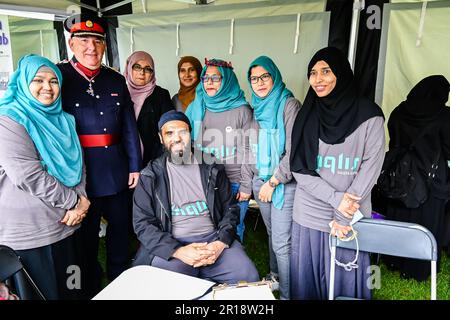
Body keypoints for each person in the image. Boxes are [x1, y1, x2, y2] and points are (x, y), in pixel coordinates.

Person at [289, 47, 385, 300]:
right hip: (309, 212)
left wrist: (343, 214)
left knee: (345, 280)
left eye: (326, 71)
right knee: (308, 283)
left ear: (341, 73)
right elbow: (298, 167)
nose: (317, 79)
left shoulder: (370, 116)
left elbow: (370, 168)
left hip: (350, 216)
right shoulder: (307, 114)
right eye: (312, 73)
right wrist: (335, 198)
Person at [58, 13, 141, 298]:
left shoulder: (116, 80)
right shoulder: (59, 78)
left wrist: (135, 165)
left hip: (116, 171)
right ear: (71, 43)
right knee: (85, 238)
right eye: (83, 40)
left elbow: (129, 127)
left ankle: (120, 281)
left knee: (120, 231)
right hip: (79, 175)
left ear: (105, 45)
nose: (91, 47)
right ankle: (88, 286)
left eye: (97, 41)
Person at [132, 111, 259, 284]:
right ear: (161, 138)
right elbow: (142, 223)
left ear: (190, 134)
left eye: (182, 132)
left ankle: (204, 274)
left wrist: (220, 243)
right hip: (173, 245)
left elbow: (231, 208)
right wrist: (177, 251)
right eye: (169, 133)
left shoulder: (212, 167)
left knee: (247, 275)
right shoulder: (151, 176)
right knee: (162, 283)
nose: (177, 138)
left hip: (213, 241)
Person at [0, 54, 89, 300]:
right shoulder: (8, 119)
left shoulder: (64, 119)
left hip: (68, 224)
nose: (47, 88)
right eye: (38, 80)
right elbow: (27, 175)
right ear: (23, 82)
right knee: (44, 294)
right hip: (31, 234)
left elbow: (78, 163)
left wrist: (80, 200)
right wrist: (74, 201)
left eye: (54, 81)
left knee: (74, 288)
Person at [381, 75, 450, 281]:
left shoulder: (399, 111)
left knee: (399, 218)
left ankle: (394, 261)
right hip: (431, 182)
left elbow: (394, 139)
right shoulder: (445, 116)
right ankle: (418, 268)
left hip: (399, 175)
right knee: (427, 223)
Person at [245, 56, 300, 300]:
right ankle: (275, 277)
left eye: (264, 76)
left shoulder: (289, 104)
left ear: (274, 75)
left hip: (281, 183)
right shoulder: (255, 106)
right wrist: (255, 182)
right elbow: (249, 148)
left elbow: (293, 150)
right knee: (271, 235)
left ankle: (288, 295)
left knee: (281, 243)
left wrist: (273, 181)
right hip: (260, 182)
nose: (259, 82)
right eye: (254, 78)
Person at [185, 58, 253, 243]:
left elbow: (248, 151)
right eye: (205, 78)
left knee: (234, 226)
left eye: (215, 78)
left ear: (227, 80)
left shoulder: (242, 110)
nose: (209, 83)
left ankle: (235, 266)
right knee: (208, 226)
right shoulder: (198, 106)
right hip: (205, 179)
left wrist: (246, 185)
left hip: (234, 182)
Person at [124, 51, 174, 166]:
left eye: (148, 69)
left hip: (154, 160)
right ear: (129, 68)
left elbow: (169, 127)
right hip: (126, 158)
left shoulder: (161, 95)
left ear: (153, 73)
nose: (142, 72)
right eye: (137, 67)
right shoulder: (121, 93)